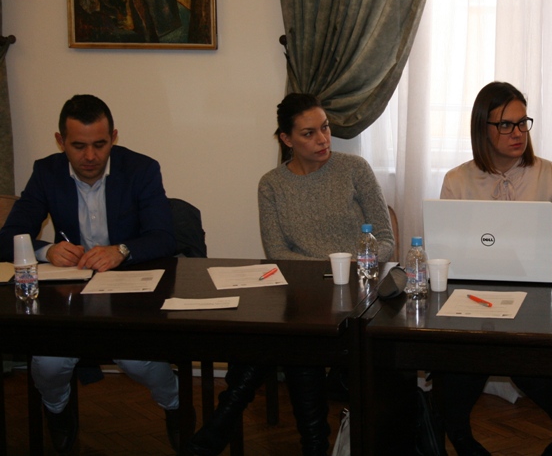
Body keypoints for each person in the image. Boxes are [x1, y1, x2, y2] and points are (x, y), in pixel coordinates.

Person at [189, 92, 394, 456]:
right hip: (303, 295)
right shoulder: (272, 184)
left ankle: (214, 437)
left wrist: (349, 265)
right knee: (291, 335)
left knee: (287, 340)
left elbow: (386, 240)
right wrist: (327, 271)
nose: (323, 139)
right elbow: (277, 253)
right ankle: (312, 444)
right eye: (309, 133)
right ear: (286, 139)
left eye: (325, 128)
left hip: (357, 294)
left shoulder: (354, 168)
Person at [0, 94, 184, 453]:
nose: (90, 156)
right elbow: (8, 237)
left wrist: (121, 250)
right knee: (49, 363)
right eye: (78, 146)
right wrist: (45, 251)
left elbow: (164, 237)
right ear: (61, 141)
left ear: (113, 137)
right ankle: (57, 409)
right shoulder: (47, 172)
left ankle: (175, 403)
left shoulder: (140, 169)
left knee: (138, 361)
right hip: (69, 295)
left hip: (130, 291)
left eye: (100, 145)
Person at [439, 81, 552, 456]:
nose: (518, 133)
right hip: (473, 302)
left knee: (522, 358)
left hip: (538, 302)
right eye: (505, 124)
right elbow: (446, 256)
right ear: (482, 129)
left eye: (523, 122)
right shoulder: (457, 181)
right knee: (458, 359)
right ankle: (461, 439)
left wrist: (551, 305)